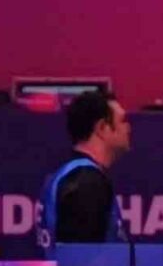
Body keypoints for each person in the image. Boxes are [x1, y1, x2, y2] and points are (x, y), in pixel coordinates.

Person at [35, 90, 130, 255]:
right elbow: (80, 261)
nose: (128, 128)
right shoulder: (87, 183)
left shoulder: (67, 175)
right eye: (123, 121)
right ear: (102, 128)